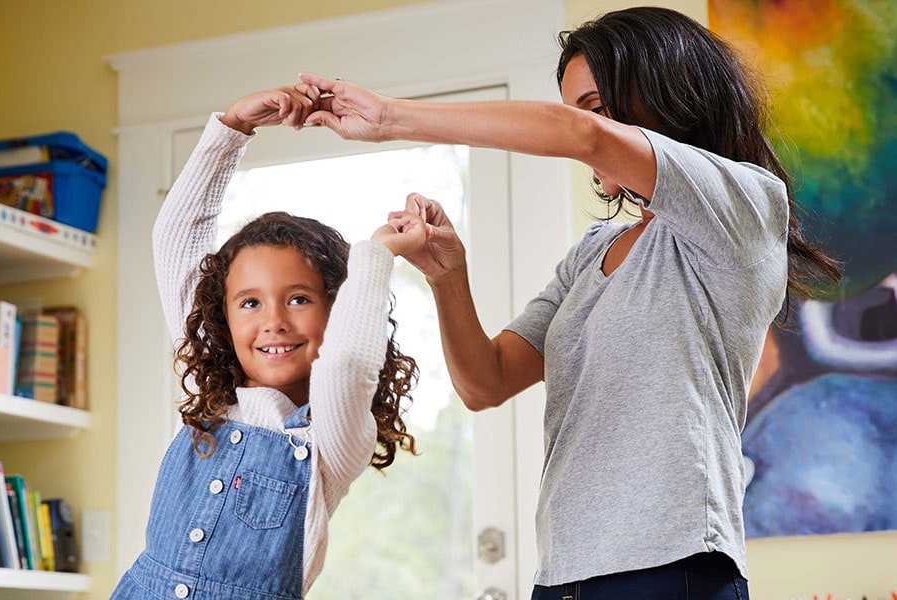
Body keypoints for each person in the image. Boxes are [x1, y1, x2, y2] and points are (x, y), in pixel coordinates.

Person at [299, 6, 841, 600]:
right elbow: (487, 382)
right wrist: (448, 276)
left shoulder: (744, 206)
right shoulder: (593, 253)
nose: (587, 131)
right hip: (563, 575)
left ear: (672, 90)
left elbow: (581, 138)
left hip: (673, 567)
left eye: (599, 105)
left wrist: (391, 118)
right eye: (578, 108)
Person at [111, 83, 425, 599]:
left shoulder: (332, 438)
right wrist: (231, 129)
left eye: (299, 299)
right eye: (250, 303)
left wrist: (377, 254)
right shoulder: (212, 392)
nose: (273, 321)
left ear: (338, 308)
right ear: (223, 316)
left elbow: (346, 363)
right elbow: (175, 238)